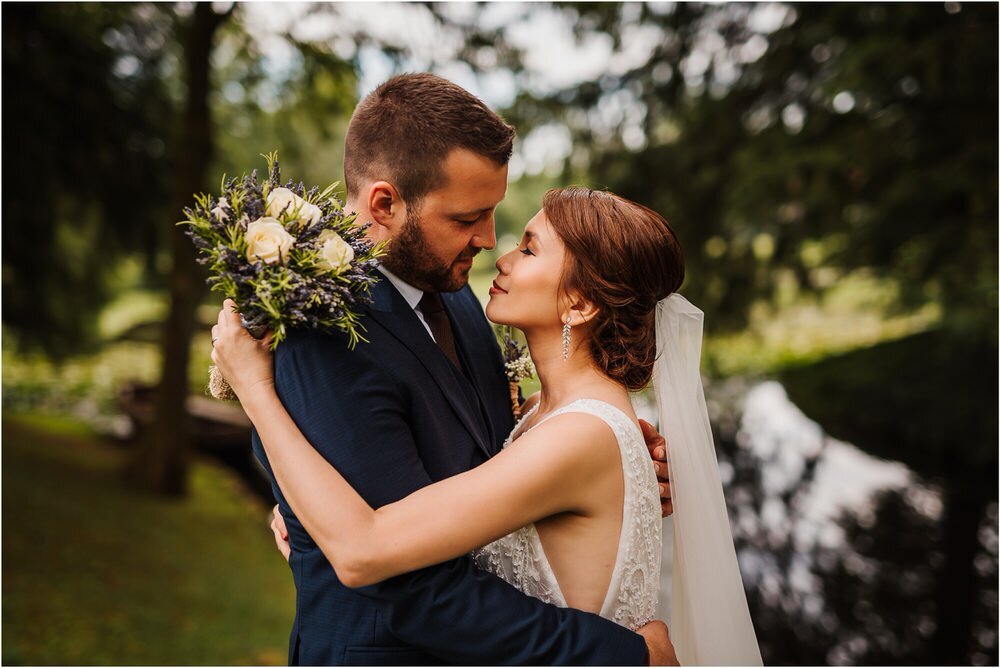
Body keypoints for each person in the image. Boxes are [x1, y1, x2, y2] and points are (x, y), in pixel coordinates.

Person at [214, 73, 676, 666]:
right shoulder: (321, 324)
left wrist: (614, 478)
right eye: (467, 218)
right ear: (385, 203)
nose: (488, 240)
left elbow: (486, 466)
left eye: (495, 216)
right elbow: (400, 578)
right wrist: (624, 657)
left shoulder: (458, 297)